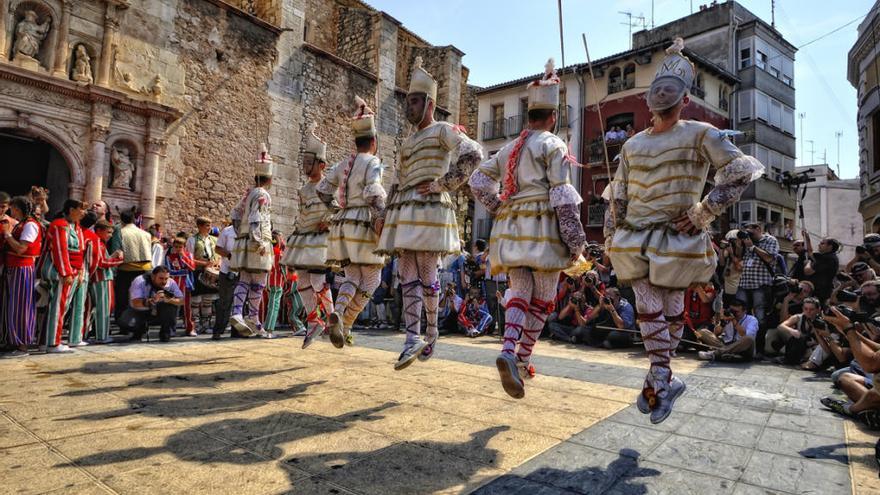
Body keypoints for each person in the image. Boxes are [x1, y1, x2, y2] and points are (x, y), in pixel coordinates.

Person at [605, 39, 764, 423]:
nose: (662, 92)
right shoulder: (631, 145)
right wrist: (611, 234)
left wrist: (703, 212)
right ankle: (661, 373)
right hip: (636, 235)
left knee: (673, 309)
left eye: (670, 88)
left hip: (680, 236)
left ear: (685, 97)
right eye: (657, 87)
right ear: (648, 99)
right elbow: (618, 196)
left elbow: (741, 171)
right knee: (646, 301)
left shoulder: (701, 132)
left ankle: (663, 375)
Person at [469, 58, 585, 398]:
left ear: (528, 116)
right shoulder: (554, 143)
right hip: (542, 226)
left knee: (519, 287)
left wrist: (498, 205)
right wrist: (575, 241)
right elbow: (562, 194)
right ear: (553, 116)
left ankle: (508, 350)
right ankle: (521, 359)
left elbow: (478, 180)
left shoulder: (508, 149)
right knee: (544, 299)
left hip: (510, 227)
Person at [376, 57, 483, 370]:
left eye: (414, 101)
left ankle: (432, 331)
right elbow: (396, 179)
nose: (408, 107)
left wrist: (444, 184)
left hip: (431, 207)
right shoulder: (407, 141)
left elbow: (473, 152)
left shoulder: (443, 130)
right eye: (408, 101)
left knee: (426, 270)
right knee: (405, 272)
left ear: (429, 102)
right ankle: (412, 337)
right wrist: (383, 213)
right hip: (406, 210)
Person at [316, 98, 388, 349]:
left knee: (351, 276)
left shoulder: (342, 164)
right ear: (374, 142)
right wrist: (381, 218)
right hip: (363, 225)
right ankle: (346, 321)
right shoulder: (374, 162)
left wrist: (337, 210)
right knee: (372, 280)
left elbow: (323, 190)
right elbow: (373, 191)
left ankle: (339, 314)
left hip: (343, 226)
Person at [282, 122, 335, 348]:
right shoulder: (303, 190)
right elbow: (302, 215)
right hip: (304, 237)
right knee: (301, 280)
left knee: (316, 279)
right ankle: (314, 319)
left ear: (321, 164)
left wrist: (329, 222)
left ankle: (333, 318)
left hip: (320, 241)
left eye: (309, 162)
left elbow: (339, 209)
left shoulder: (328, 185)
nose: (305, 166)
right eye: (303, 162)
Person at [229, 144, 275, 337]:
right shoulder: (263, 194)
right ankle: (253, 317)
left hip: (243, 242)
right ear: (270, 179)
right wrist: (258, 241)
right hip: (257, 242)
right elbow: (258, 217)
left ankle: (240, 313)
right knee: (259, 282)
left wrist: (242, 233)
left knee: (245, 278)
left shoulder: (248, 194)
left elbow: (235, 215)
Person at [42, 199, 88, 353]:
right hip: (62, 272)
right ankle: (53, 343)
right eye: (81, 209)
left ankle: (51, 340)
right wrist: (66, 272)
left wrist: (80, 270)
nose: (84, 213)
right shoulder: (60, 225)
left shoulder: (76, 227)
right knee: (58, 307)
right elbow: (60, 251)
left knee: (64, 306)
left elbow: (80, 252)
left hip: (74, 271)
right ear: (71, 209)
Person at [1, 196, 41, 357]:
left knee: (21, 306)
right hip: (14, 269)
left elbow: (21, 249)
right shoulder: (22, 224)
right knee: (13, 306)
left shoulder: (30, 225)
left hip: (22, 269)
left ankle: (22, 345)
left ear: (17, 209)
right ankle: (13, 341)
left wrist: (7, 235)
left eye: (12, 209)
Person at [117, 266, 185, 342]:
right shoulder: (140, 281)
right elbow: (135, 303)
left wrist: (169, 299)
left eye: (166, 278)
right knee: (125, 322)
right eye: (161, 278)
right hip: (140, 311)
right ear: (153, 276)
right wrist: (152, 300)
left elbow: (182, 301)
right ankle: (138, 332)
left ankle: (166, 333)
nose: (164, 281)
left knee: (170, 306)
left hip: (160, 312)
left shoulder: (171, 282)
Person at [737, 222, 780, 325]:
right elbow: (739, 259)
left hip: (761, 285)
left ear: (758, 229)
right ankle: (744, 336)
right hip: (744, 284)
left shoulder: (770, 240)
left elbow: (770, 258)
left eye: (750, 233)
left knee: (759, 314)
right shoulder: (747, 242)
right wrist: (739, 245)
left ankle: (760, 337)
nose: (749, 236)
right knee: (741, 313)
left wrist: (753, 247)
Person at [88, 220, 123, 344]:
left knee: (100, 307)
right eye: (108, 232)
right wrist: (119, 261)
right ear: (99, 231)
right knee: (104, 308)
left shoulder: (100, 243)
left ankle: (95, 334)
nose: (110, 235)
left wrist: (113, 256)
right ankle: (102, 336)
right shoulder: (98, 242)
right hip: (101, 278)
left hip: (99, 278)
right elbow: (101, 263)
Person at [114, 210, 153, 321]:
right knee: (141, 297)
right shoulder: (146, 234)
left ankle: (123, 323)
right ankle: (140, 323)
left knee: (122, 299)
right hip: (145, 269)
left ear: (121, 219)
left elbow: (116, 250)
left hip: (126, 269)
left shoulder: (119, 231)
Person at [186, 217, 220, 333]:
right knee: (196, 300)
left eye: (210, 225)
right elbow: (189, 258)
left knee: (208, 300)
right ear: (199, 226)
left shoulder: (214, 240)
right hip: (198, 271)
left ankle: (206, 325)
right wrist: (205, 263)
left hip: (211, 272)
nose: (209, 227)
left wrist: (216, 264)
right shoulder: (192, 240)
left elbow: (219, 256)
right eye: (207, 225)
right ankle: (194, 325)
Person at [212, 222, 240, 339]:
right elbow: (217, 248)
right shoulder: (227, 231)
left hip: (242, 272)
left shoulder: (248, 231)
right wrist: (229, 254)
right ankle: (218, 330)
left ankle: (237, 331)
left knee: (239, 303)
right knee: (224, 302)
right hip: (227, 271)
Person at [164, 237, 196, 335]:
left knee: (187, 308)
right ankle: (171, 329)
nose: (178, 249)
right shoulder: (169, 257)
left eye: (180, 247)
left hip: (186, 284)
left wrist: (184, 258)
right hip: (174, 285)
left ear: (184, 247)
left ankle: (190, 328)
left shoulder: (188, 255)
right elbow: (169, 272)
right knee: (173, 307)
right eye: (176, 247)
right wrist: (183, 271)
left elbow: (192, 267)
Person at [802, 231, 840, 304]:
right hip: (819, 291)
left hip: (821, 293)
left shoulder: (828, 259)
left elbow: (808, 271)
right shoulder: (825, 256)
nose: (819, 245)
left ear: (830, 246)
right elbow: (810, 252)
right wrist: (807, 238)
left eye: (822, 243)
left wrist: (809, 263)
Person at [262, 230, 286, 337]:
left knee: (270, 305)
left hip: (269, 281)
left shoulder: (269, 252)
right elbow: (284, 270)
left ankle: (267, 327)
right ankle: (270, 330)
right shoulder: (280, 254)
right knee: (274, 306)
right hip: (278, 282)